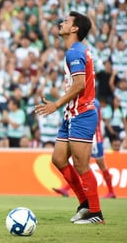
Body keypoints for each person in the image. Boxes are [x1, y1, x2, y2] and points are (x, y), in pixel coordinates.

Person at [34, 11, 104, 224]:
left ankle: (96, 213)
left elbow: (80, 84)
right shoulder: (79, 50)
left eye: (66, 21)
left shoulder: (74, 53)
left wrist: (56, 103)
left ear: (74, 29)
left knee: (82, 165)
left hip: (82, 114)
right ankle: (84, 203)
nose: (62, 23)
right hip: (72, 114)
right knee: (58, 159)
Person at [53, 99, 117, 199]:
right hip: (89, 137)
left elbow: (91, 119)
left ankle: (111, 191)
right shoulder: (87, 101)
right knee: (79, 163)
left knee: (99, 165)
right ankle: (66, 189)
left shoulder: (93, 102)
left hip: (95, 138)